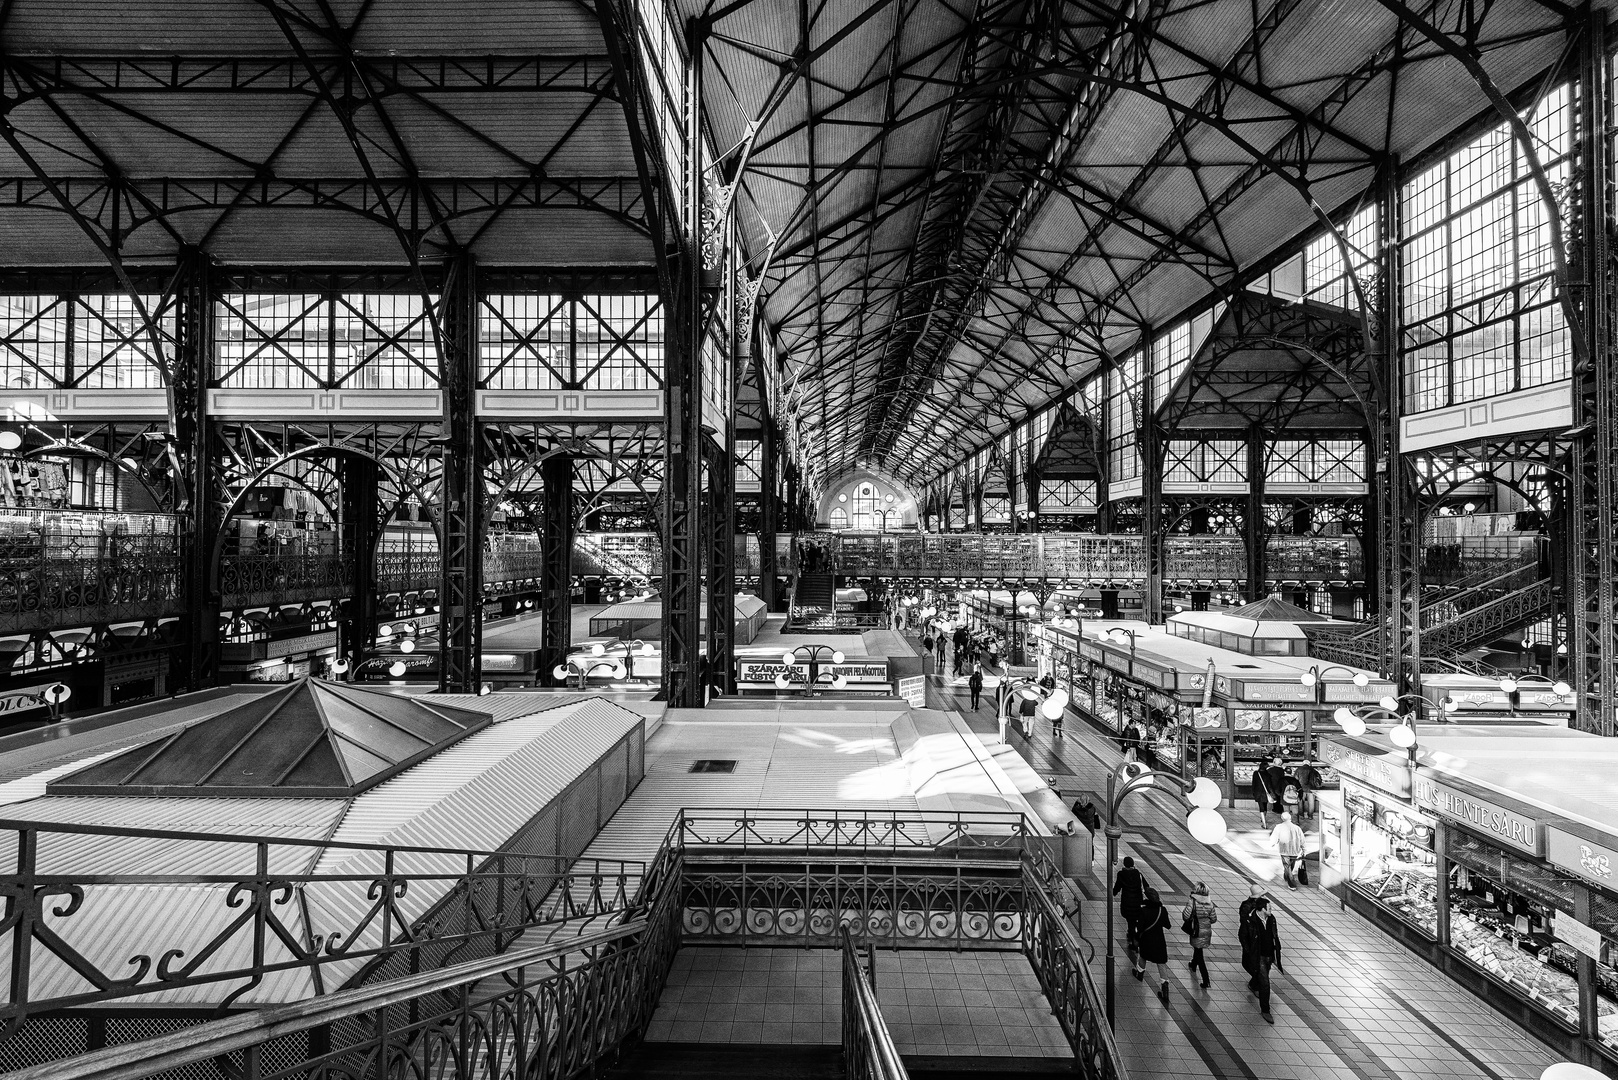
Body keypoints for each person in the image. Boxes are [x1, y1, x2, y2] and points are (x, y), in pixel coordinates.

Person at [1239, 895, 1283, 1023]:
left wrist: (1275, 953)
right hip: (1258, 955)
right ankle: (1265, 1010)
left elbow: (1274, 935)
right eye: (1269, 907)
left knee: (1261, 976)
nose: (1271, 910)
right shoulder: (1250, 920)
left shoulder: (1271, 919)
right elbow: (1243, 936)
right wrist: (1249, 951)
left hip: (1269, 955)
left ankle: (1253, 984)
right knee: (1265, 983)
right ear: (1262, 909)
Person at [1133, 886, 1173, 1003]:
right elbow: (1168, 925)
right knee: (1161, 963)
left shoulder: (1143, 911)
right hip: (1159, 940)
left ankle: (1139, 973)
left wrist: (1136, 937)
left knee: (1143, 956)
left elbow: (1139, 928)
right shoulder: (1162, 910)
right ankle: (1165, 990)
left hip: (1147, 939)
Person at [1112, 855, 1147, 966]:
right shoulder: (1138, 874)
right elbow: (1146, 886)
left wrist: (1113, 892)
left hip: (1127, 902)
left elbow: (1117, 886)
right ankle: (1137, 938)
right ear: (1132, 864)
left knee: (1130, 922)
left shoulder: (1121, 874)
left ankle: (1132, 939)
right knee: (1137, 920)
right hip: (1138, 902)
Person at [1182, 881, 1217, 989]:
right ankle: (1193, 964)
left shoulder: (1192, 902)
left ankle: (1206, 980)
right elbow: (1214, 919)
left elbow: (1186, 916)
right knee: (1198, 949)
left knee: (1199, 953)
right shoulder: (1210, 903)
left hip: (1196, 930)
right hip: (1206, 931)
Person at [1270, 811, 1306, 889]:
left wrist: (1273, 843)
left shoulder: (1279, 827)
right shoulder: (1297, 828)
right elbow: (1302, 839)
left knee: (1287, 866)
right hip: (1295, 850)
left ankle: (1291, 883)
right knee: (1290, 866)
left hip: (1284, 850)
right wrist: (1304, 849)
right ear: (1290, 818)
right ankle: (1288, 877)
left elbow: (1274, 837)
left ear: (1282, 819)